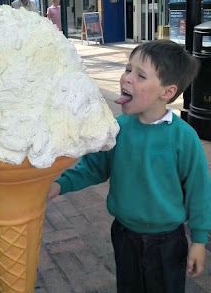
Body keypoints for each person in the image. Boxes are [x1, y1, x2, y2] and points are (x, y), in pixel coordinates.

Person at [48, 40, 211, 293]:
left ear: (166, 92)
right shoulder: (117, 129)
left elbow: (199, 192)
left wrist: (199, 240)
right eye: (127, 69)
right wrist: (60, 184)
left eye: (140, 75)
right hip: (124, 234)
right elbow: (94, 167)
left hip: (167, 241)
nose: (127, 78)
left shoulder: (183, 137)